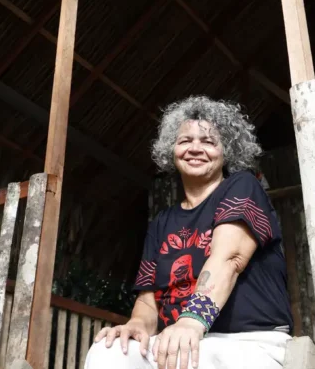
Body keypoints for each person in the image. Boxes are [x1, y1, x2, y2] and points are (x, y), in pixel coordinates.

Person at [85, 96, 293, 369]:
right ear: (171, 150)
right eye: (185, 141)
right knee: (109, 352)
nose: (195, 148)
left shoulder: (242, 186)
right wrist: (136, 325)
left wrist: (192, 320)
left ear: (227, 151)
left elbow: (229, 259)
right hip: (177, 342)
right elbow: (149, 299)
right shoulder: (162, 222)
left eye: (208, 142)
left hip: (246, 341)